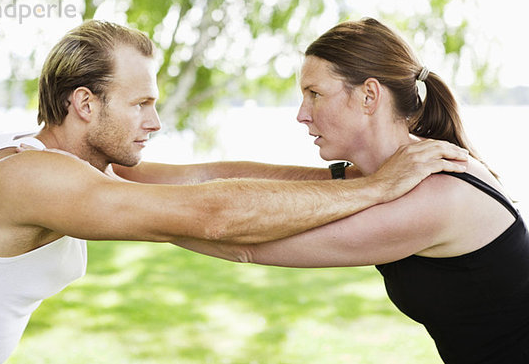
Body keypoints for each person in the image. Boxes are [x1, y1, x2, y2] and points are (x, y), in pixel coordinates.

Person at [0, 20, 467, 364]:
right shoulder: (34, 178)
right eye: (140, 104)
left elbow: (207, 177)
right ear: (85, 104)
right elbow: (212, 214)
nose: (156, 121)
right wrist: (377, 188)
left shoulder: (65, 166)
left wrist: (350, 179)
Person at [157, 18, 529, 363]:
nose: (301, 113)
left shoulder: (438, 196)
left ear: (369, 96)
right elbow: (228, 175)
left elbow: (247, 242)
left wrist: (121, 211)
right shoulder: (388, 176)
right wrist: (118, 171)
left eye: (315, 93)